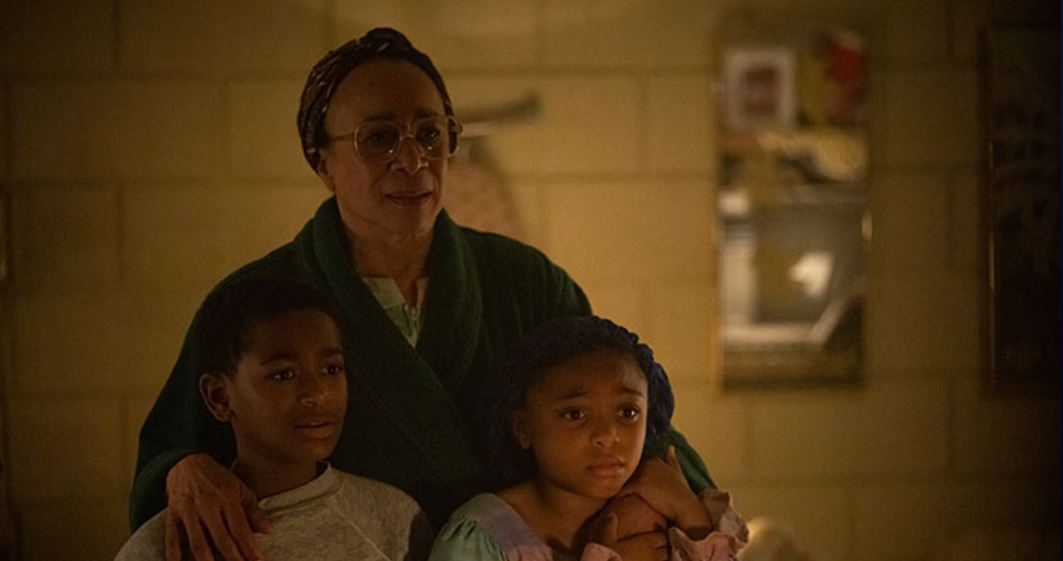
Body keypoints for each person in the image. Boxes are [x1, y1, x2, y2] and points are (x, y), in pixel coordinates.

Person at [130, 27, 720, 561]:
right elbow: (175, 446)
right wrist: (183, 469)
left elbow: (617, 408)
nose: (412, 159)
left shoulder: (525, 281)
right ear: (322, 161)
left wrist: (675, 481)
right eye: (378, 138)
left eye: (430, 134)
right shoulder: (258, 301)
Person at [117, 274, 433, 561]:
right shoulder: (167, 544)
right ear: (219, 396)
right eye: (283, 375)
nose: (317, 394)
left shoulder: (395, 519)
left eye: (331, 369)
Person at [428, 316, 747, 561]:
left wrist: (687, 508)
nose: (608, 435)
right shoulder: (484, 536)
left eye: (627, 412)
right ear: (523, 427)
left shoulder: (660, 519)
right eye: (575, 415)